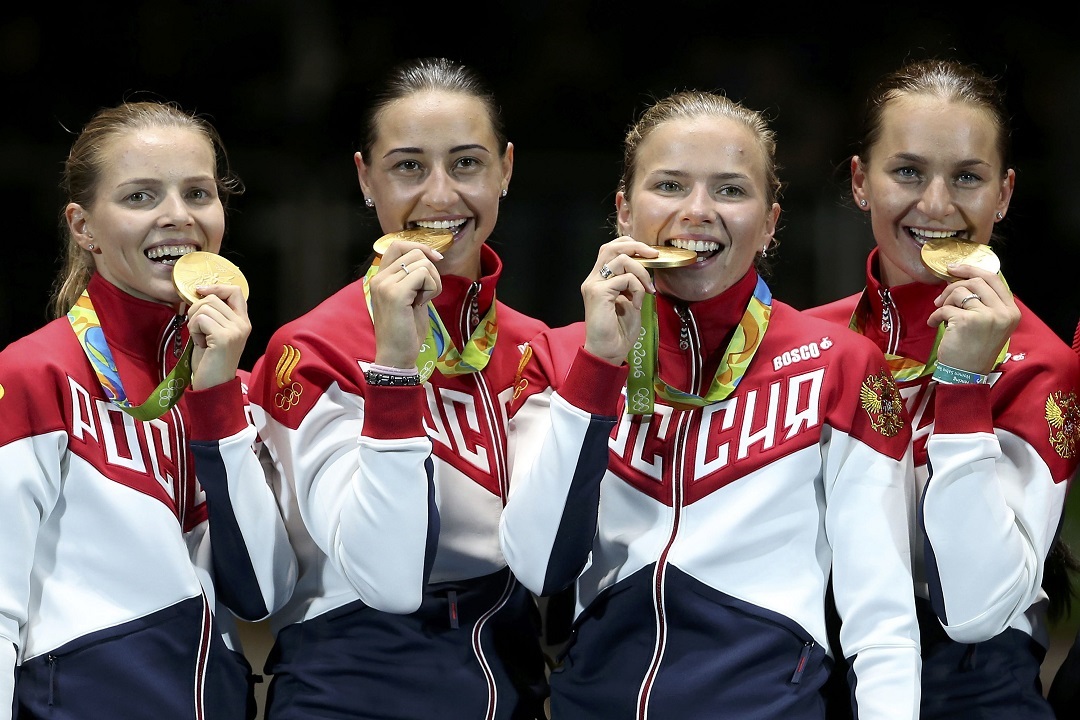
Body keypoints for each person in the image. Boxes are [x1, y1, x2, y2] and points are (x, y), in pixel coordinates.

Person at [499, 89, 921, 719]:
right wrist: (598, 369)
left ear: (771, 222)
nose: (698, 211)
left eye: (729, 190)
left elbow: (882, 620)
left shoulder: (841, 365)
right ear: (623, 210)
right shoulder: (558, 360)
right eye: (669, 184)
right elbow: (541, 566)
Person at [248, 57, 550, 719]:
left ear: (505, 168)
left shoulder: (538, 349)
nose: (441, 196)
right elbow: (384, 575)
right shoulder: (313, 350)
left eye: (466, 164)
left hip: (507, 684)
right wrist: (393, 367)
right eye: (409, 167)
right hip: (351, 691)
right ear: (366, 178)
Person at [0, 100, 297, 720]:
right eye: (140, 197)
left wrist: (217, 400)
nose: (177, 216)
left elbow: (262, 595)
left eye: (198, 192)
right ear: (83, 227)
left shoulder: (233, 389)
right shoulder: (37, 373)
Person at [806, 58, 1080, 719]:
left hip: (972, 691)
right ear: (859, 181)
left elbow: (976, 611)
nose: (935, 205)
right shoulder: (806, 345)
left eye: (967, 177)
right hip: (809, 673)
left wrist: (961, 388)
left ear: (1004, 194)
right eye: (907, 171)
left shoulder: (1040, 364)